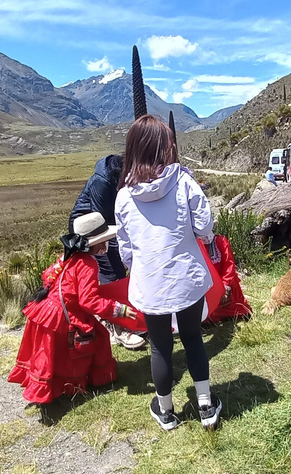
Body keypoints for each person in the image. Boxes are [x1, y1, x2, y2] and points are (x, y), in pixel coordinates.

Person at [115, 115, 222, 431]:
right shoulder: (184, 182)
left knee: (160, 346)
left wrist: (140, 271)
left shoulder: (123, 196)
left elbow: (125, 248)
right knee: (192, 339)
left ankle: (165, 411)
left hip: (150, 283)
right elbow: (204, 227)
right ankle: (205, 406)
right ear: (165, 147)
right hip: (185, 279)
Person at [8, 213, 140, 424]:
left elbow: (47, 276)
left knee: (49, 353)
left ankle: (51, 389)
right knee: (95, 338)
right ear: (95, 245)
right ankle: (86, 381)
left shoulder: (69, 257)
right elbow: (89, 301)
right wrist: (118, 310)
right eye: (104, 242)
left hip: (47, 311)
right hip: (63, 315)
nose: (106, 245)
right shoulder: (88, 264)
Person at [69, 155, 146, 350]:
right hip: (91, 232)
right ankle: (119, 329)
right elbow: (102, 222)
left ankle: (113, 321)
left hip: (107, 228)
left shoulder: (123, 176)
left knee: (116, 272)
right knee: (112, 273)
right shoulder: (102, 183)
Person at [203, 235, 252, 323]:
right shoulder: (195, 245)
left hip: (225, 282)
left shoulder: (221, 241)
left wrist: (225, 286)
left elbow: (229, 265)